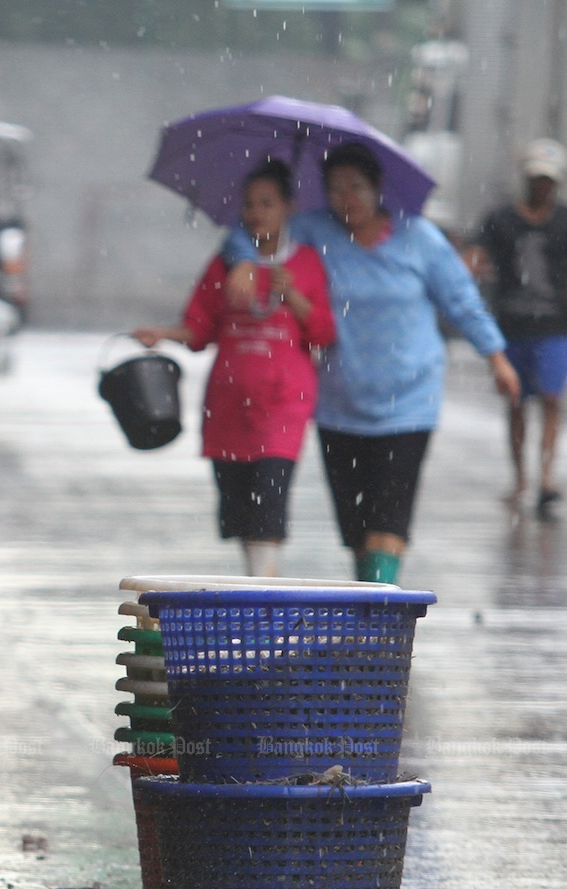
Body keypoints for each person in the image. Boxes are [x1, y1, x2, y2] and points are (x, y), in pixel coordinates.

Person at [224, 141, 521, 584]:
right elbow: (251, 230)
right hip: (340, 401)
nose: (347, 199)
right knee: (356, 526)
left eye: (356, 187)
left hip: (409, 402)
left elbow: (462, 301)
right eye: (336, 189)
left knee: (390, 516)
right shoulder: (312, 233)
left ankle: (381, 611)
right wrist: (245, 262)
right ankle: (370, 603)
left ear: (378, 187)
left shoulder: (417, 237)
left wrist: (497, 358)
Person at [134, 160, 335, 577]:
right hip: (229, 406)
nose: (257, 213)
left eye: (267, 204)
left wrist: (292, 295)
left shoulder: (308, 263)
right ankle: (259, 585)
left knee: (269, 500)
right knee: (241, 509)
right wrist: (165, 334)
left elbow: (322, 333)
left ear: (288, 208)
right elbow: (200, 327)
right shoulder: (224, 265)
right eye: (249, 204)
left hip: (282, 406)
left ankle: (266, 597)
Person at [467, 138, 567, 516]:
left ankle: (545, 475)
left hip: (555, 326)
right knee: (516, 403)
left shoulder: (564, 220)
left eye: (549, 180)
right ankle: (520, 476)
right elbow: (476, 251)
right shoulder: (500, 219)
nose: (542, 186)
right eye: (537, 178)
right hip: (510, 327)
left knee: (552, 398)